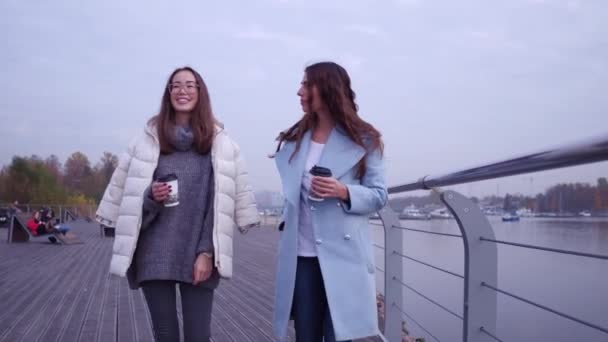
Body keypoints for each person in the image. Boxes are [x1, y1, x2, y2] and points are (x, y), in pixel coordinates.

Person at [95, 66, 260, 342]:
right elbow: (131, 202)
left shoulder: (219, 143)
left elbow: (218, 205)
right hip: (155, 252)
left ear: (200, 92)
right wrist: (151, 197)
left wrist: (206, 252)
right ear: (168, 92)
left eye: (189, 85)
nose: (182, 91)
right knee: (165, 335)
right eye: (175, 85)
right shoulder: (147, 140)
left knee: (198, 335)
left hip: (199, 252)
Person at [271, 62, 388, 342]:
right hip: (302, 257)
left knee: (339, 335)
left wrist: (343, 191)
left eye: (306, 85)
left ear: (327, 88)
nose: (299, 92)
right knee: (306, 335)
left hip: (343, 255)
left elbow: (379, 195)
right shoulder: (296, 141)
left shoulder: (365, 140)